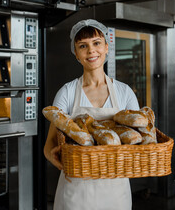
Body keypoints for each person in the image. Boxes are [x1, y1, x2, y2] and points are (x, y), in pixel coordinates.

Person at [44, 19, 140, 210]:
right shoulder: (67, 92)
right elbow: (49, 146)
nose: (91, 51)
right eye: (83, 46)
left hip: (115, 192)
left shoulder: (124, 92)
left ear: (106, 47)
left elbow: (137, 143)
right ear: (76, 54)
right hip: (76, 191)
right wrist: (56, 159)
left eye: (96, 43)